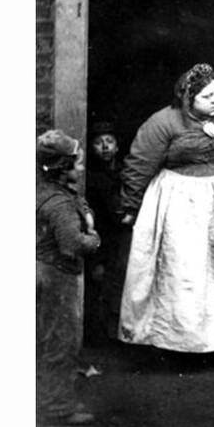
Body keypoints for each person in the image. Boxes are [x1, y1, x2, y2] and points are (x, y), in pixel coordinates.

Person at [118, 63, 214, 354]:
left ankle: (212, 341)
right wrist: (131, 205)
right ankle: (171, 342)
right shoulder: (163, 122)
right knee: (181, 270)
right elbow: (140, 164)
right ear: (189, 98)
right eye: (207, 95)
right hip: (178, 200)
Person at [36, 129, 101, 425]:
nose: (82, 168)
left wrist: (83, 210)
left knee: (45, 338)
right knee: (60, 341)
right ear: (63, 169)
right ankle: (57, 408)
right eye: (77, 164)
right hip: (56, 277)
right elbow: (72, 244)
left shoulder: (46, 190)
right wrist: (94, 239)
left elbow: (75, 202)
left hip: (42, 270)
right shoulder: (60, 205)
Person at [84, 121, 132, 344]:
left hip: (122, 238)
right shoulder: (91, 179)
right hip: (102, 237)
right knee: (99, 284)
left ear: (117, 146)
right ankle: (100, 338)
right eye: (98, 142)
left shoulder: (126, 172)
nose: (104, 147)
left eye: (109, 142)